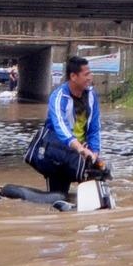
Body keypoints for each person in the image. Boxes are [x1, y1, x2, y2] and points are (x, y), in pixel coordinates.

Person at [36, 56, 101, 194]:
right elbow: (60, 126)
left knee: (95, 193)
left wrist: (94, 153)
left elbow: (94, 128)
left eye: (90, 73)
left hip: (84, 153)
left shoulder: (91, 96)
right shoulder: (59, 96)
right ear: (73, 76)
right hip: (58, 154)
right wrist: (78, 147)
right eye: (86, 74)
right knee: (58, 196)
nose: (90, 77)